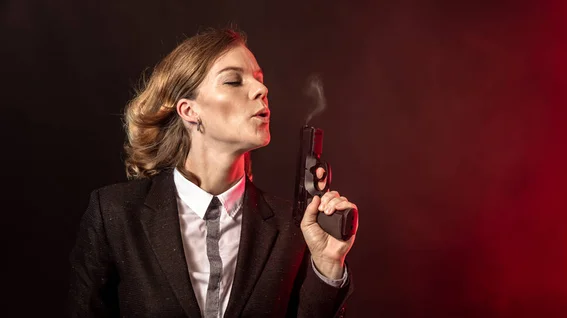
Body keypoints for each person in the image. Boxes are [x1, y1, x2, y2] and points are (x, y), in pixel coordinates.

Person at [67, 27, 359, 318]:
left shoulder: (294, 227)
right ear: (189, 111)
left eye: (259, 80)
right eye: (233, 81)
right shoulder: (116, 215)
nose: (262, 90)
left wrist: (328, 264)